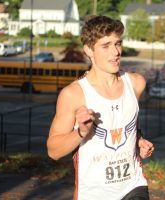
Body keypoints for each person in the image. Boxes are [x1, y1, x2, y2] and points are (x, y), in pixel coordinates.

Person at [47, 15, 154, 200]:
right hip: (93, 193)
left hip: (133, 186)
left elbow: (126, 124)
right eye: (106, 46)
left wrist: (139, 140)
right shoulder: (74, 94)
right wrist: (80, 132)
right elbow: (53, 151)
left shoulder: (136, 83)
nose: (116, 52)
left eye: (117, 43)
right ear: (89, 50)